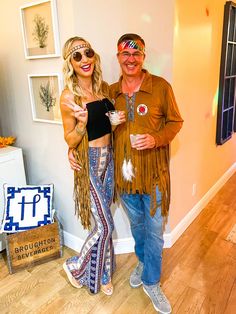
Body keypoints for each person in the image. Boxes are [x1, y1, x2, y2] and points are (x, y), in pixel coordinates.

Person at [108, 34, 183, 313]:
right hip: (125, 177)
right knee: (138, 227)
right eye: (125, 54)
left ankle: (152, 281)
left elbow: (176, 122)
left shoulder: (161, 87)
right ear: (118, 57)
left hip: (154, 176)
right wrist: (73, 149)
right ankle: (142, 260)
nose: (131, 59)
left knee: (154, 231)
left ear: (143, 56)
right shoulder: (110, 92)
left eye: (136, 53)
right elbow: (97, 132)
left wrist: (155, 138)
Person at [60, 36, 125, 296]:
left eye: (87, 53)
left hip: (109, 158)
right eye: (77, 56)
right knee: (105, 225)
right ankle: (75, 265)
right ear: (70, 63)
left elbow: (107, 125)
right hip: (89, 162)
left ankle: (105, 273)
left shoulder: (104, 88)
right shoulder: (68, 97)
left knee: (105, 220)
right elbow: (70, 139)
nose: (84, 59)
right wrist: (81, 124)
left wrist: (115, 122)